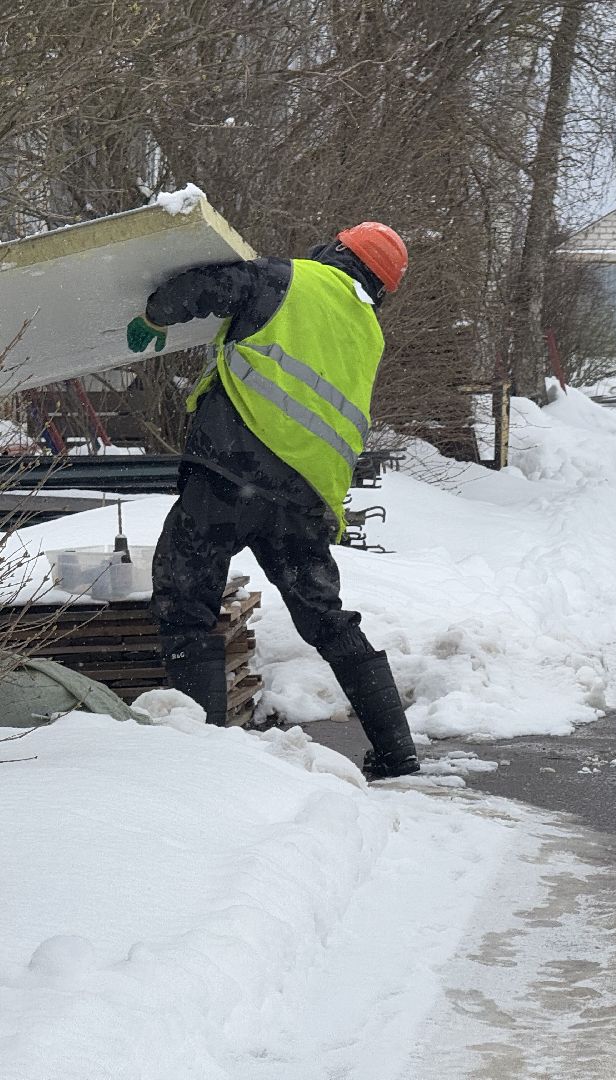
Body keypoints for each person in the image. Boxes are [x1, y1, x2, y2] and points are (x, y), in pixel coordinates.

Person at [125, 222, 420, 780]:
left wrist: (154, 315)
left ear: (338, 248)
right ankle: (397, 753)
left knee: (186, 602)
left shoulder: (289, 279)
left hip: (229, 474)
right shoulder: (367, 332)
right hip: (304, 499)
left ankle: (203, 752)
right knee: (328, 621)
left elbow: (197, 290)